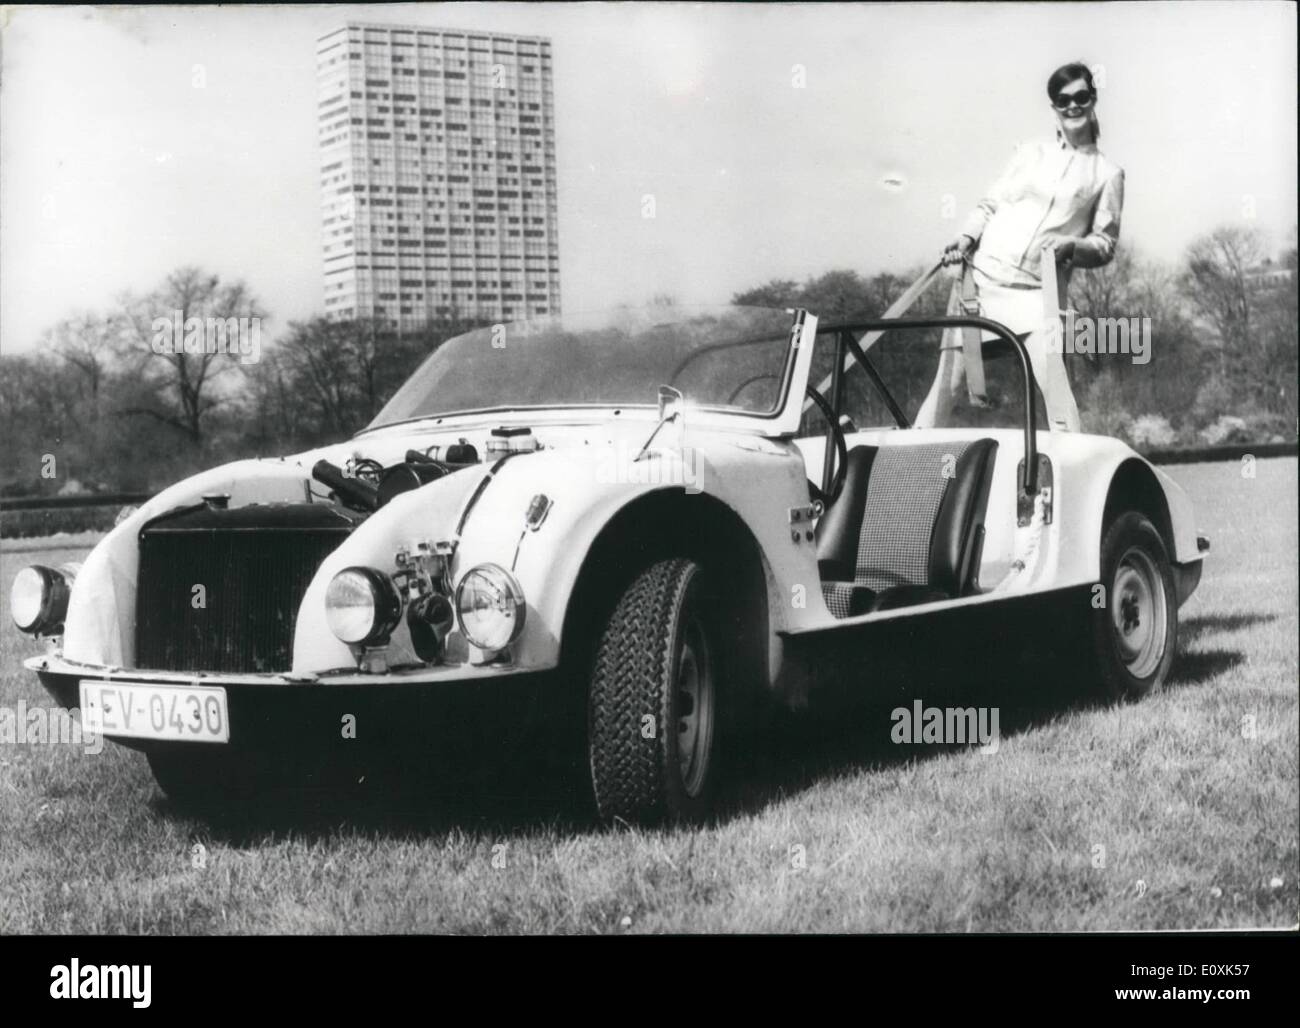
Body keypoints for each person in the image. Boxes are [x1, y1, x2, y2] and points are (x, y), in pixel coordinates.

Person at [916, 61, 1125, 432]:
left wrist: (1073, 246)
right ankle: (904, 479)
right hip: (979, 285)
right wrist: (965, 237)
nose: (1072, 106)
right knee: (946, 387)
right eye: (1063, 100)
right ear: (1054, 108)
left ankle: (1074, 475)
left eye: (1080, 97)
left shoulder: (1107, 174)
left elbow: (1105, 244)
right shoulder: (1029, 153)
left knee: (1056, 393)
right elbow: (989, 204)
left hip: (1036, 296)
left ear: (1093, 99)